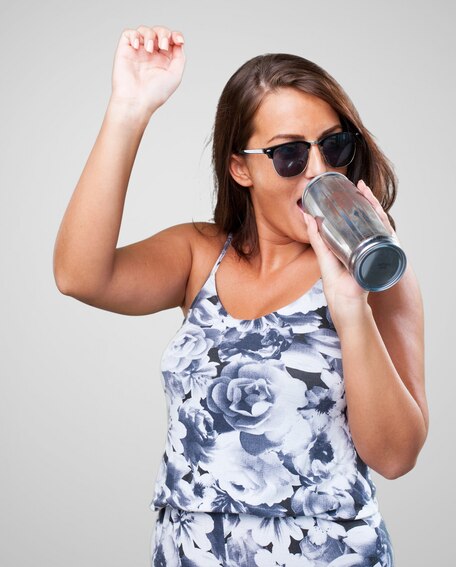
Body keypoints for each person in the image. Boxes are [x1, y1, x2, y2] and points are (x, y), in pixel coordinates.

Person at [53, 24, 428, 567]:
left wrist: (350, 307)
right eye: (289, 155)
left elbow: (394, 456)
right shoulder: (199, 255)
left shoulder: (379, 274)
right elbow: (78, 275)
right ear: (240, 168)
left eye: (335, 146)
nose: (319, 171)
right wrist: (129, 109)